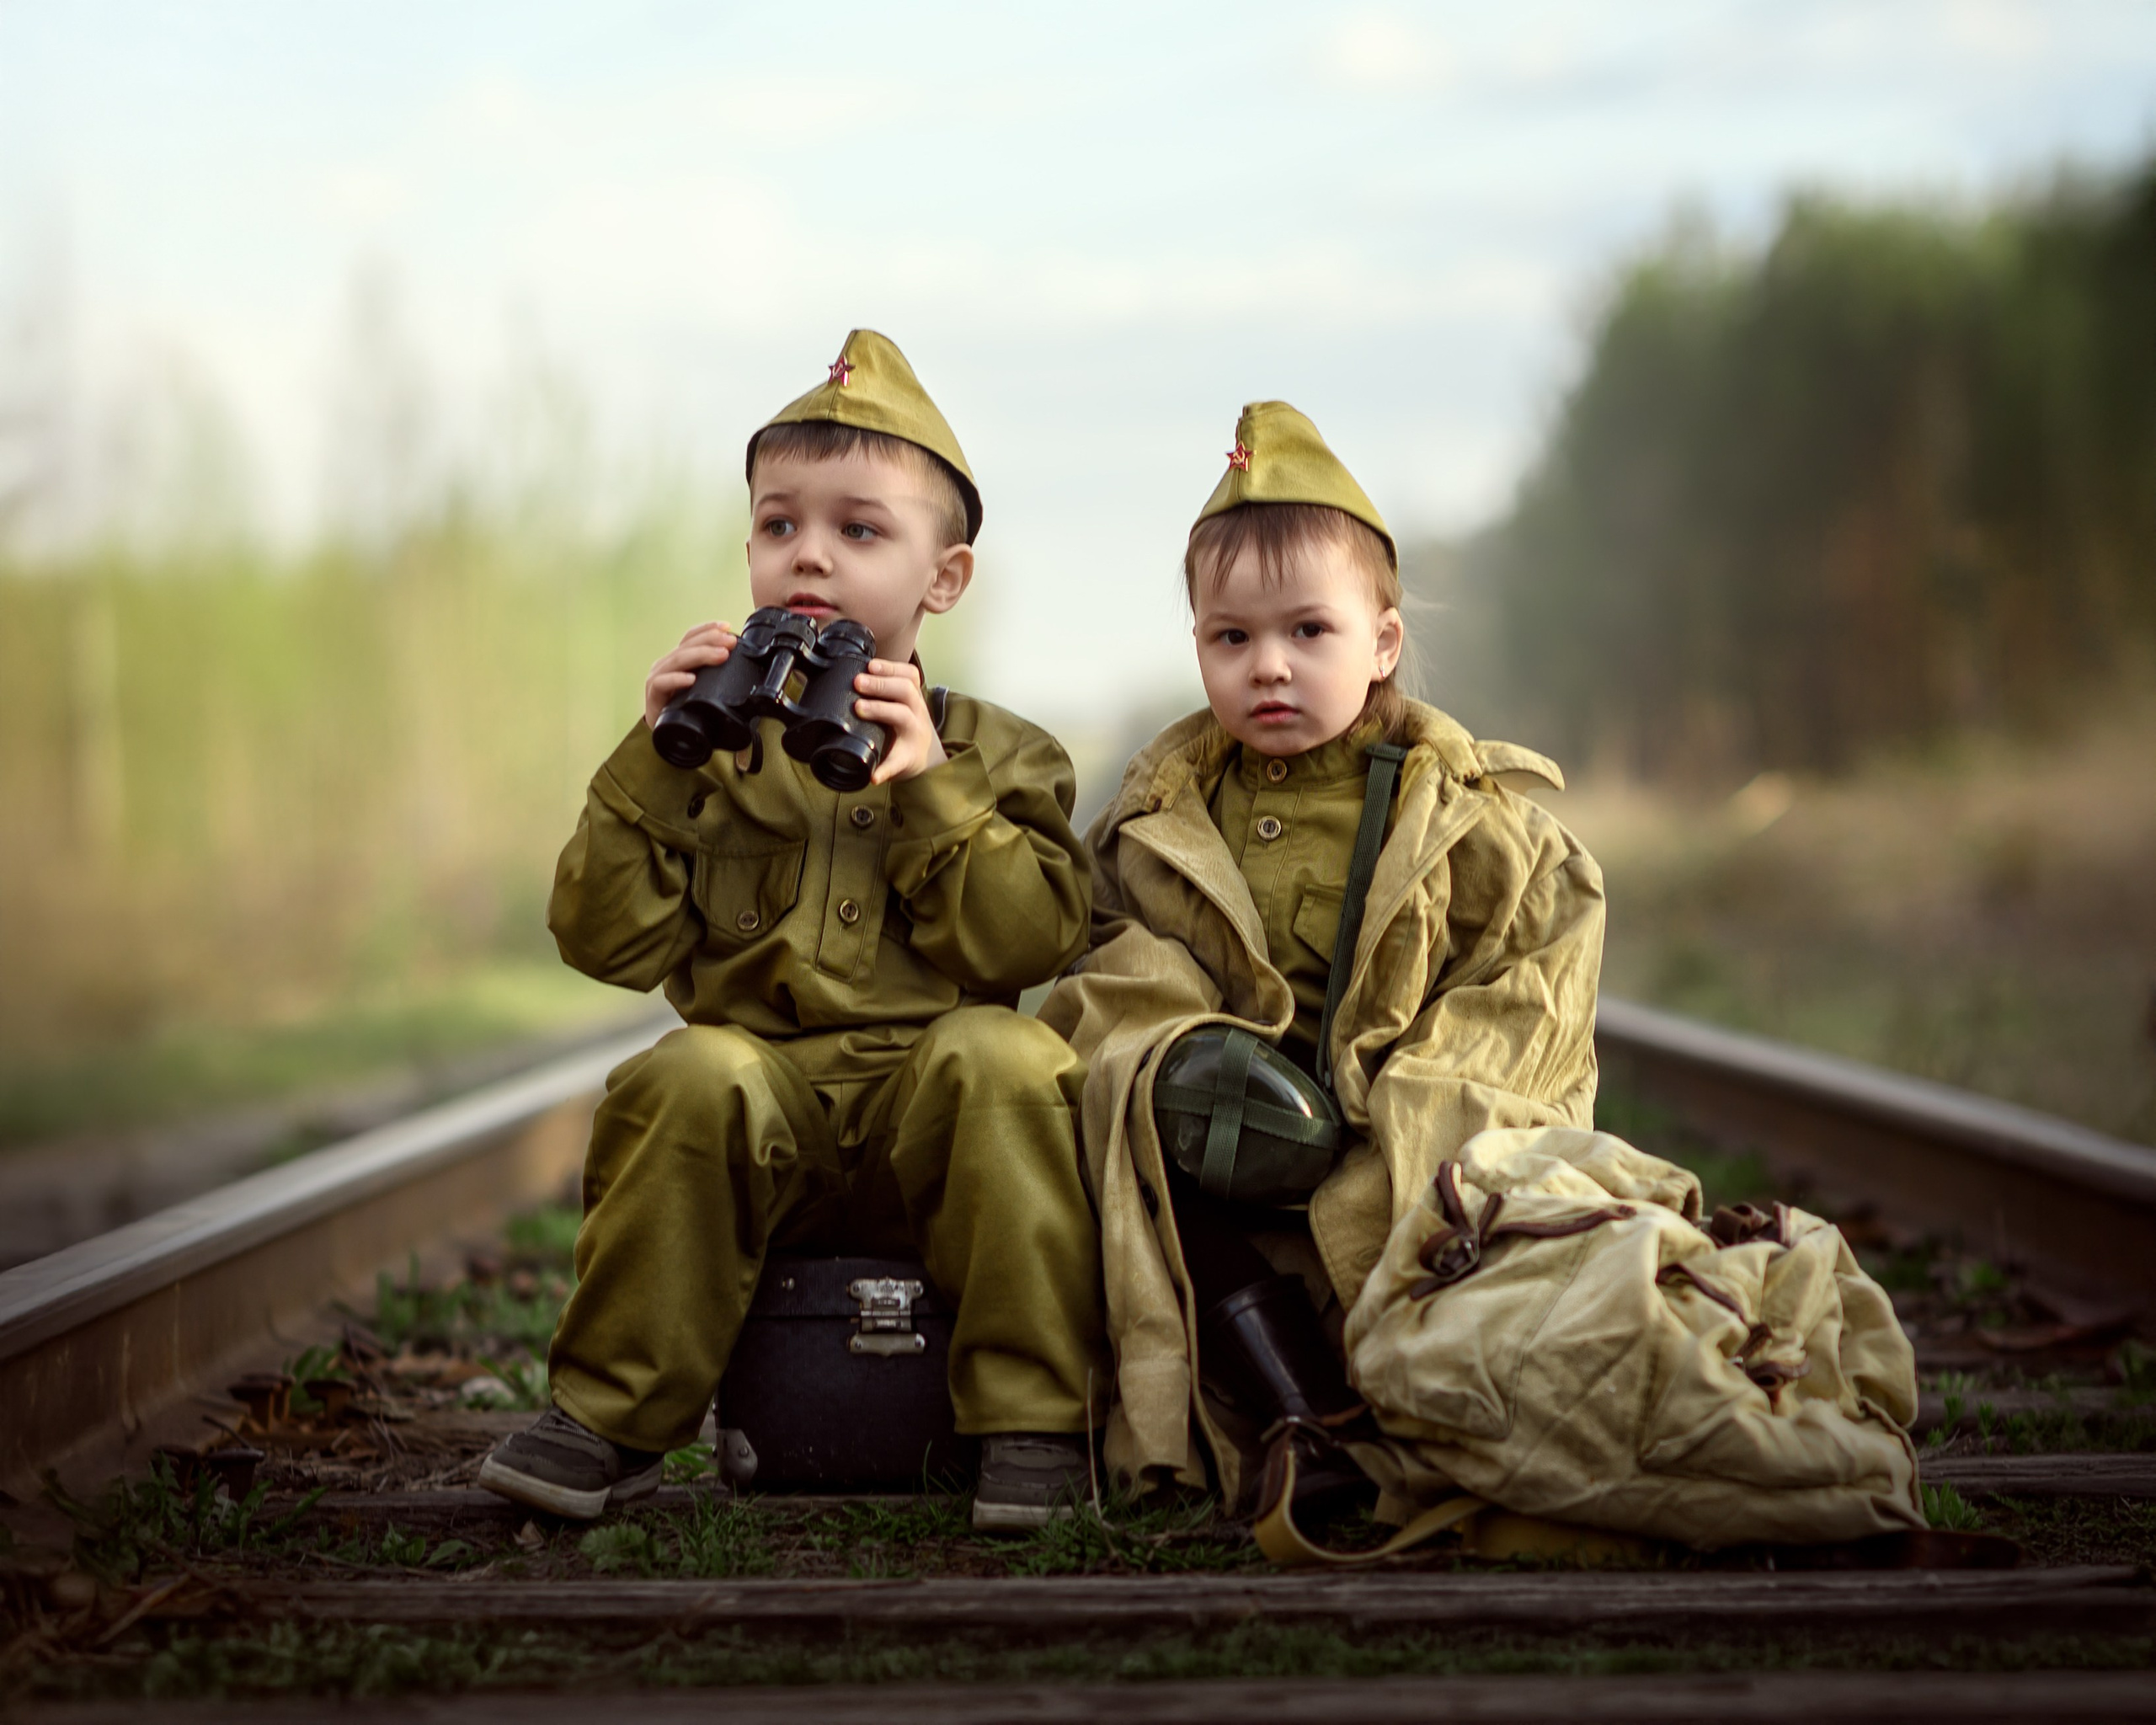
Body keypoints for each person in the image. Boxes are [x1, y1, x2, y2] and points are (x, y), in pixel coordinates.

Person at [481, 331, 1109, 1530]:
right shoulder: (711, 752)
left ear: (944, 578)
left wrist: (934, 789)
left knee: (1010, 1058)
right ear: (751, 551)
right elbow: (603, 944)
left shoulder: (1002, 754)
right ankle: (606, 1418)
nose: (808, 553)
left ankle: (1033, 1423)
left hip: (935, 1129)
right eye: (780, 525)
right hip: (760, 1121)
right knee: (687, 1069)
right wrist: (654, 761)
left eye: (859, 530)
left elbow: (1029, 947)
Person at [1038, 402, 1604, 1510]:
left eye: (1309, 632)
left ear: (1382, 642)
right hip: (1216, 1168)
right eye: (1232, 639)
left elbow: (1528, 992)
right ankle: (1302, 1414)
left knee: (1449, 1210)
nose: (1270, 667)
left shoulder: (1474, 828)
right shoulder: (1156, 827)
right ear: (1198, 646)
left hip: (1392, 1149)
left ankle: (1398, 1400)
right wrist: (1180, 1057)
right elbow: (1105, 971)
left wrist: (1403, 1099)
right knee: (1104, 1148)